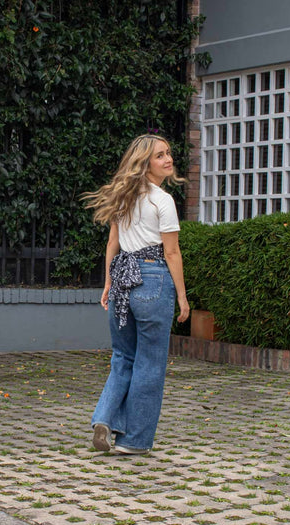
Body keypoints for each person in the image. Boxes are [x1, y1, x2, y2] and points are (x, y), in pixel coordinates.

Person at [83, 133, 190, 455]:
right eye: (160, 155)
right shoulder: (162, 200)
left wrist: (107, 283)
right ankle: (134, 441)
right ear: (144, 163)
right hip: (152, 278)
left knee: (123, 357)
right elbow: (172, 253)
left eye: (168, 153)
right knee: (150, 363)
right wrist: (183, 298)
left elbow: (113, 244)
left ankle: (104, 417)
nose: (168, 159)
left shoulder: (124, 197)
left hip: (122, 278)